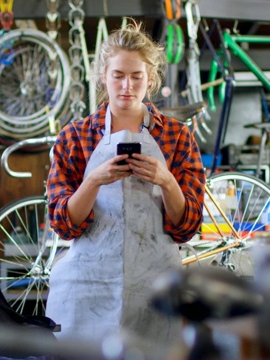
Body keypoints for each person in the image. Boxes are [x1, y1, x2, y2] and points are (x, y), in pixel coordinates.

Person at [45, 20, 205, 355]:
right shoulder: (75, 137)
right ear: (103, 76)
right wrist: (93, 181)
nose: (127, 86)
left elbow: (186, 227)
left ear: (151, 78)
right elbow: (63, 224)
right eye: (118, 75)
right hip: (88, 289)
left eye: (137, 76)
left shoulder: (177, 137)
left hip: (156, 288)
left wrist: (166, 180)